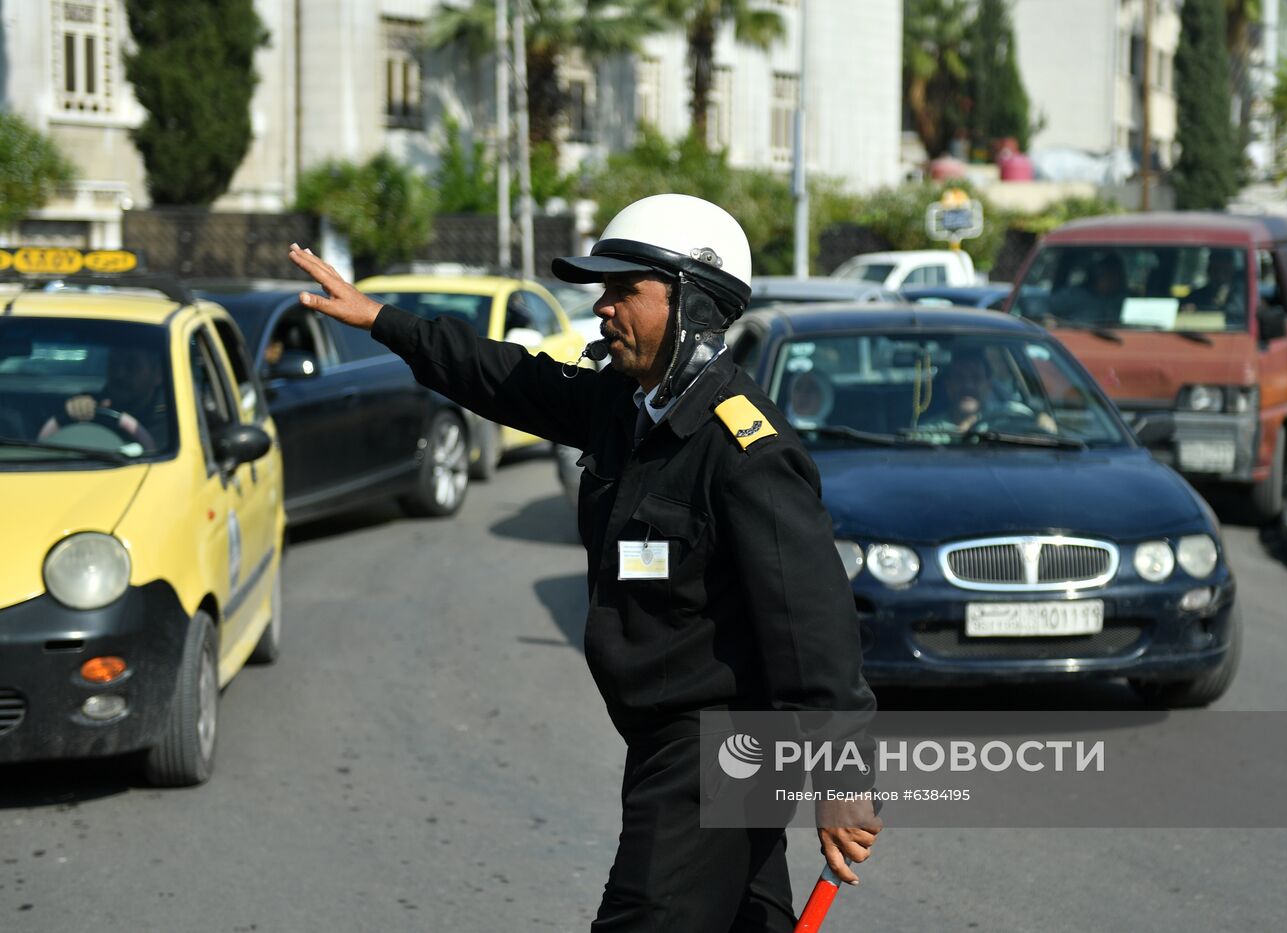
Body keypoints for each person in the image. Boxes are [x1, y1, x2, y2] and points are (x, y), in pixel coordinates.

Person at [287, 193, 881, 932]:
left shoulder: (745, 450)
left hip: (716, 749)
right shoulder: (627, 406)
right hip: (665, 742)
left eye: (624, 290)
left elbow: (812, 623)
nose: (602, 308)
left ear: (695, 305)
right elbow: (501, 375)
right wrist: (381, 320)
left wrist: (841, 773)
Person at [39, 343, 165, 450]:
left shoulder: (170, 423)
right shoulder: (92, 404)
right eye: (113, 364)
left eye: (131, 366)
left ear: (158, 374)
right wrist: (76, 411)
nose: (119, 374)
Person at [1183, 249, 1245, 322]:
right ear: (1209, 271)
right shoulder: (1195, 297)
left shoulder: (1244, 296)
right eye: (1216, 270)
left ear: (1232, 271)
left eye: (1225, 270)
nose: (1220, 276)